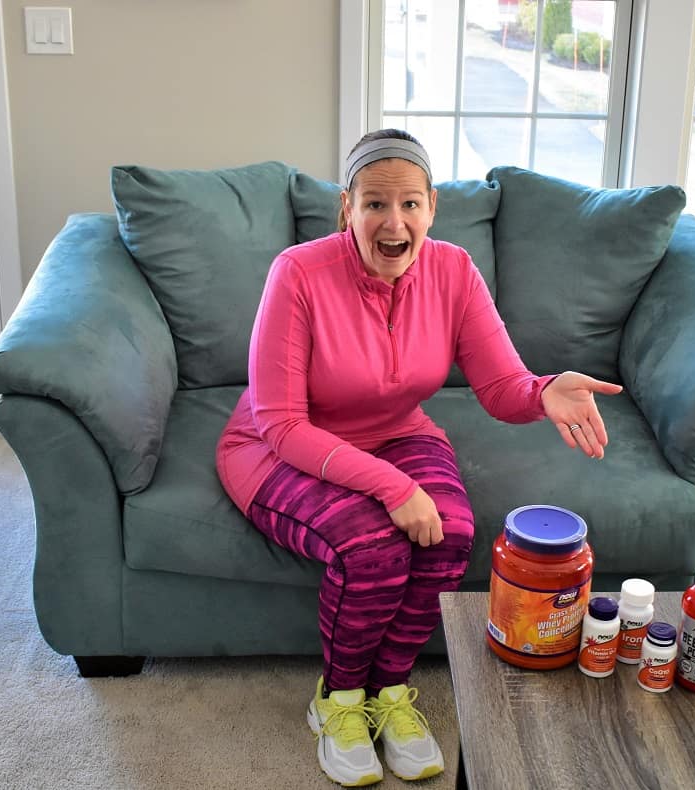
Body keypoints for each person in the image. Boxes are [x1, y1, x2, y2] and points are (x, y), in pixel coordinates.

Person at [216, 129, 622, 786]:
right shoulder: (298, 273)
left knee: (451, 532)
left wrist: (545, 390)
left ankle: (390, 692)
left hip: (396, 430)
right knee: (371, 544)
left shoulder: (453, 270)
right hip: (278, 450)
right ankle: (340, 701)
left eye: (409, 204)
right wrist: (392, 488)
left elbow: (499, 386)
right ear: (347, 208)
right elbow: (281, 423)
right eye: (375, 204)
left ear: (431, 207)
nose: (393, 221)